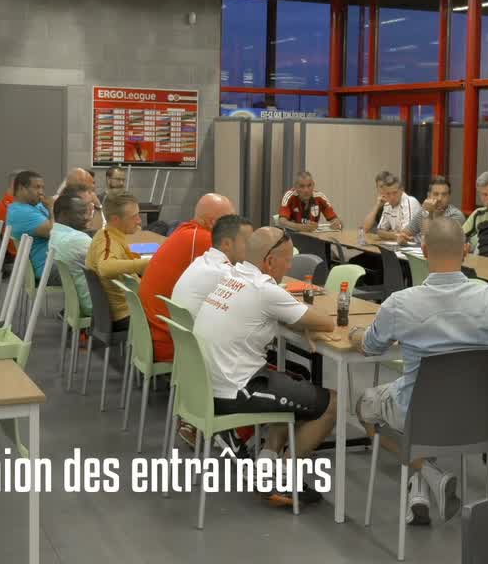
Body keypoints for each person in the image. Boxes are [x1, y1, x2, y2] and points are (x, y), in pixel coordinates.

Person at [350, 217, 488, 525]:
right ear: (466, 250)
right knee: (429, 404)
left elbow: (371, 346)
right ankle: (424, 485)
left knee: (363, 405)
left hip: (420, 417)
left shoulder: (400, 304)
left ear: (423, 251)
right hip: (482, 418)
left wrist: (354, 334)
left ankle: (429, 472)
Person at [196, 227, 339, 506]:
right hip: (235, 391)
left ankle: (267, 464)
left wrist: (296, 320)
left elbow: (267, 314)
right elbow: (327, 322)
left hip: (206, 384)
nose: (289, 267)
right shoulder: (264, 289)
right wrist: (304, 321)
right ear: (270, 261)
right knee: (332, 403)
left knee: (287, 380)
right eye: (287, 261)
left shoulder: (231, 276)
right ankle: (284, 478)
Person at [138, 193, 235, 362]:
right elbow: (239, 276)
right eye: (231, 221)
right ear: (213, 223)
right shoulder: (205, 239)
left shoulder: (186, 231)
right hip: (170, 340)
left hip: (151, 332)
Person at [85, 192, 149, 329]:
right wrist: (147, 263)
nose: (139, 221)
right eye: (134, 217)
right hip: (126, 314)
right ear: (115, 220)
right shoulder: (107, 240)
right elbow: (105, 267)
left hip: (129, 309)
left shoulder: (111, 235)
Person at [172, 214, 255, 317]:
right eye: (248, 242)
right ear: (227, 244)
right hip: (199, 332)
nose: (252, 248)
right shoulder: (225, 273)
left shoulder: (201, 261)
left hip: (186, 331)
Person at [47, 191, 94, 315]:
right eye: (81, 213)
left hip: (80, 302)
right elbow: (108, 261)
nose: (87, 217)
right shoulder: (77, 240)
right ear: (64, 215)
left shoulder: (56, 232)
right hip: (96, 306)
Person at [6, 170, 53, 281]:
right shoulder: (21, 212)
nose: (41, 192)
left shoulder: (35, 206)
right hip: (46, 269)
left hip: (51, 262)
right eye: (37, 188)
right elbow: (54, 232)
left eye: (42, 188)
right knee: (89, 271)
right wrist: (51, 208)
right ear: (22, 189)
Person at [399, 175, 465, 245]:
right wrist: (402, 238)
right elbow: (404, 233)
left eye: (444, 194)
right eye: (436, 194)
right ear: (428, 196)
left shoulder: (456, 215)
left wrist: (428, 214)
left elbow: (432, 243)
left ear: (449, 197)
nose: (440, 198)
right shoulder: (423, 212)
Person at [362, 172, 422, 242]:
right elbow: (379, 232)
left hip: (415, 247)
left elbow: (405, 236)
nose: (392, 197)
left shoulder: (410, 202)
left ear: (401, 190)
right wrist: (394, 234)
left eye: (395, 193)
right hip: (397, 245)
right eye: (388, 193)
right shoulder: (387, 204)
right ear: (384, 193)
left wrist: (389, 234)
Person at [278, 171, 342, 232]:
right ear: (295, 187)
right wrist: (301, 227)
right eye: (302, 186)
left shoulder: (320, 197)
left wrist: (337, 223)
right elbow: (282, 222)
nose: (306, 190)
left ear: (313, 185)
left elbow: (335, 220)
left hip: (313, 236)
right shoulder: (289, 196)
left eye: (309, 186)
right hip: (291, 236)